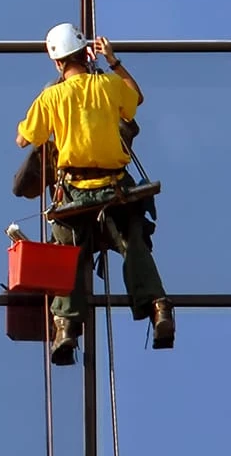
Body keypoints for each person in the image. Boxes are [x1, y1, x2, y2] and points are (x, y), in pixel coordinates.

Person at [15, 23, 175, 363]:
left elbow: (24, 138)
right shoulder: (109, 85)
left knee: (66, 254)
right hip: (116, 187)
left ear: (58, 63)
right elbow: (136, 98)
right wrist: (113, 61)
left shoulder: (52, 97)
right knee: (134, 245)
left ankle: (67, 329)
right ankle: (159, 307)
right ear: (85, 55)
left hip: (76, 193)